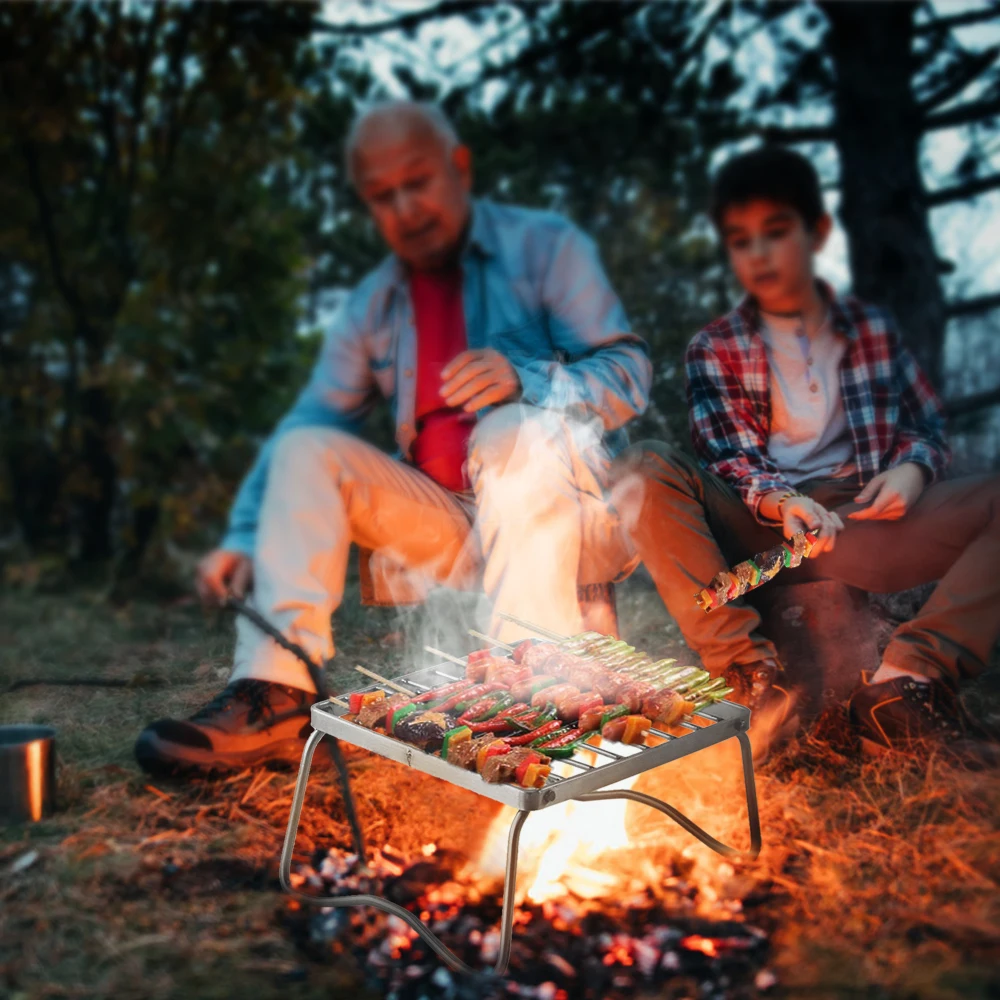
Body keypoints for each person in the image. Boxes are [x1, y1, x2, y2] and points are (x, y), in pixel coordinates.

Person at [135, 101, 651, 776]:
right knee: (305, 450)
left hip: (559, 517)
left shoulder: (546, 249)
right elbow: (311, 416)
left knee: (509, 430)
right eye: (384, 196)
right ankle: (278, 695)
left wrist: (528, 377)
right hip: (453, 525)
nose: (405, 208)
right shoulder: (380, 301)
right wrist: (242, 534)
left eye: (418, 181)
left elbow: (630, 370)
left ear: (458, 168)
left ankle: (538, 693)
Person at [612, 145, 999, 764]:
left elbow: (925, 424)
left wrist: (912, 468)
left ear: (816, 231)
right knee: (645, 466)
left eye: (776, 232)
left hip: (863, 523)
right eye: (741, 241)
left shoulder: (871, 330)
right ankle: (750, 679)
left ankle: (907, 682)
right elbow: (729, 454)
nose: (758, 255)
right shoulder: (714, 347)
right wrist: (782, 498)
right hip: (761, 531)